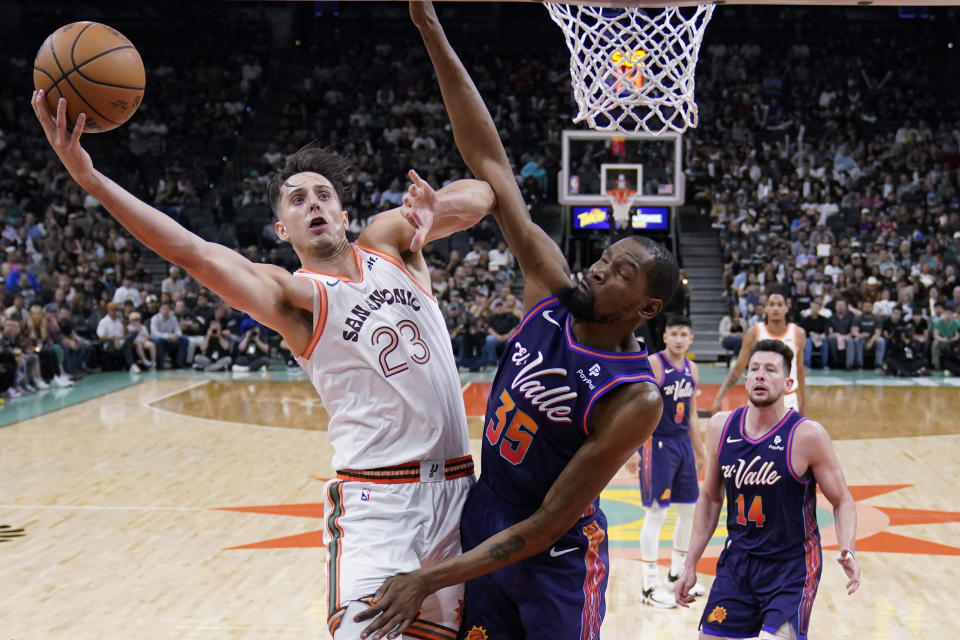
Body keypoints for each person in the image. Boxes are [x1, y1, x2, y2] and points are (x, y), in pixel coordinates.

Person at [32, 88, 495, 640]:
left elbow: (486, 192)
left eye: (323, 195)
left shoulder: (391, 242)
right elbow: (193, 253)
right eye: (297, 202)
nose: (313, 204)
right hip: (379, 505)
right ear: (283, 231)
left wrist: (436, 205)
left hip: (460, 496)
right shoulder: (295, 295)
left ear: (345, 213)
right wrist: (90, 179)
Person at [355, 4, 676, 638]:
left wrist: (428, 578)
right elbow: (489, 162)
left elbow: (550, 521)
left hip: (551, 561)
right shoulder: (552, 290)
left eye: (618, 274)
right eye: (603, 260)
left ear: (646, 309)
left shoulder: (635, 396)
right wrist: (430, 28)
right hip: (483, 522)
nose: (597, 271)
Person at [674, 340, 861, 639]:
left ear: (788, 383)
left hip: (791, 565)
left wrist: (847, 548)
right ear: (746, 379)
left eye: (770, 370)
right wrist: (689, 564)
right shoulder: (721, 427)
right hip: (739, 562)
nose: (760, 375)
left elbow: (842, 500)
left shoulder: (807, 435)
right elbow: (710, 498)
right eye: (755, 369)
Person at [629, 315, 707, 608]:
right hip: (657, 445)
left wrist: (699, 453)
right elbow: (636, 408)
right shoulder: (654, 364)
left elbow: (692, 414)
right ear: (665, 337)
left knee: (688, 512)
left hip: (683, 446)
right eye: (673, 333)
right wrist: (633, 450)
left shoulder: (693, 369)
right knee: (657, 514)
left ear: (691, 339)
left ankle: (677, 573)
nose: (678, 339)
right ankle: (649, 585)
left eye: (683, 334)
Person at [712, 292, 806, 415]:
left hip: (788, 398)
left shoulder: (798, 333)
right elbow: (738, 368)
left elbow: (800, 369)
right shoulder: (753, 333)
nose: (775, 308)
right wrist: (719, 397)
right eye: (771, 305)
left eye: (779, 304)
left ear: (786, 308)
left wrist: (803, 400)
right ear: (765, 308)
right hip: (759, 399)